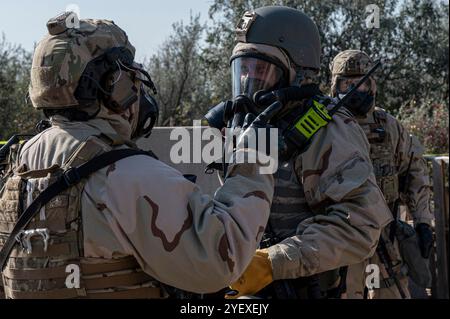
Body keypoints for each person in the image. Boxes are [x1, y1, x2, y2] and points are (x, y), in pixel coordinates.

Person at [0, 13, 274, 299]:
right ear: (112, 84)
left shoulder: (15, 168)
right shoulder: (129, 175)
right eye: (129, 73)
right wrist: (252, 158)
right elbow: (221, 260)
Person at [206, 6, 393, 299]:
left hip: (307, 287)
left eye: (261, 70)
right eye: (244, 69)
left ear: (297, 72)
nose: (248, 81)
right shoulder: (244, 126)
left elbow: (361, 225)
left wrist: (273, 262)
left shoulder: (329, 130)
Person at [329, 49, 434, 299]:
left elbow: (414, 170)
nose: (355, 90)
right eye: (347, 83)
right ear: (335, 86)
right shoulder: (324, 126)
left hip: (384, 239)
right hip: (339, 238)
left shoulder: (387, 126)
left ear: (372, 85)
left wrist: (421, 221)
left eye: (361, 83)